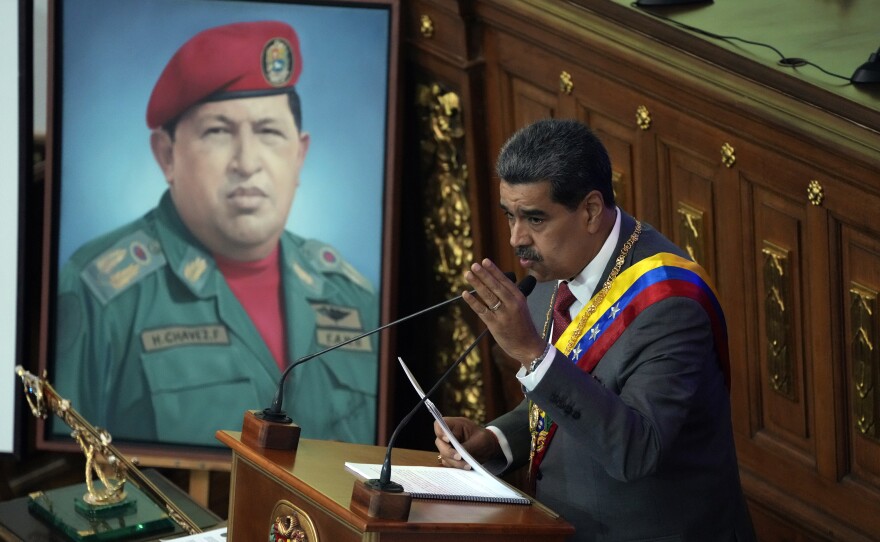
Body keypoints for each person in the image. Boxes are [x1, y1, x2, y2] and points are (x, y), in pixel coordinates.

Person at [52, 21, 379, 447]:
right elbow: (68, 472)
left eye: (268, 133)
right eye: (219, 132)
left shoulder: (349, 294)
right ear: (167, 156)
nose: (247, 162)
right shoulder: (102, 296)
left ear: (299, 156)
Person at [434, 119, 756, 541]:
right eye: (510, 216)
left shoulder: (672, 307)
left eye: (534, 218)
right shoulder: (548, 275)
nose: (516, 239)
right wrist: (497, 441)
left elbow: (637, 451)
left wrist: (533, 354)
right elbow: (566, 400)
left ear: (589, 210)